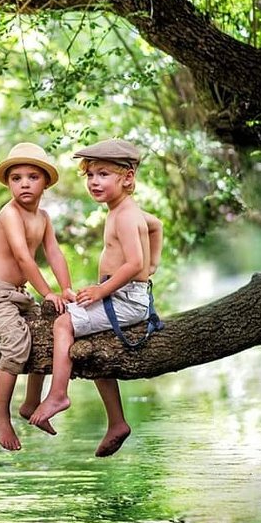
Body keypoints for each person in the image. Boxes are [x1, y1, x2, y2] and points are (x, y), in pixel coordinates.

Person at [29, 139, 164, 457]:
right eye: (90, 175)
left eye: (103, 174)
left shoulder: (126, 216)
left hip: (126, 300)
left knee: (63, 325)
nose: (94, 182)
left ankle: (58, 394)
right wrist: (152, 264)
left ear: (127, 177)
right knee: (92, 344)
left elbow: (132, 264)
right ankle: (117, 422)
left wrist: (104, 289)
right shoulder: (124, 211)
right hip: (122, 294)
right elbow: (156, 227)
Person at [0, 142, 76, 451]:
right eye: (16, 178)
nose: (24, 184)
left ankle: (32, 404)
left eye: (32, 177)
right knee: (17, 344)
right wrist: (47, 292)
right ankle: (0, 415)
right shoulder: (9, 214)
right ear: (8, 184)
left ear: (45, 181)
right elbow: (22, 257)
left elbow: (54, 253)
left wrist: (66, 288)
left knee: (46, 335)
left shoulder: (43, 217)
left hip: (18, 295)